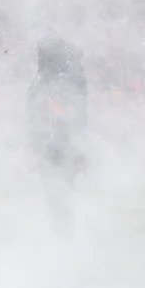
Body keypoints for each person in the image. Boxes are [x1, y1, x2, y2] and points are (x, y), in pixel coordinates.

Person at [27, 36, 88, 231]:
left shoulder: (43, 84)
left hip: (55, 146)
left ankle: (63, 229)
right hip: (56, 146)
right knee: (60, 191)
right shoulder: (52, 84)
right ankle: (63, 230)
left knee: (59, 191)